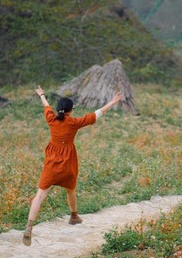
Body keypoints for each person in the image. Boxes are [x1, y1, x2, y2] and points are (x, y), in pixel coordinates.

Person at [23, 86, 124, 246]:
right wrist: (112, 101)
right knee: (70, 188)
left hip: (51, 162)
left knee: (40, 195)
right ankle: (74, 215)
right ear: (71, 111)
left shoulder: (51, 119)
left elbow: (46, 106)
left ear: (59, 110)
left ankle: (29, 226)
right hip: (68, 162)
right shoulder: (74, 123)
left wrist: (42, 94)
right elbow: (96, 114)